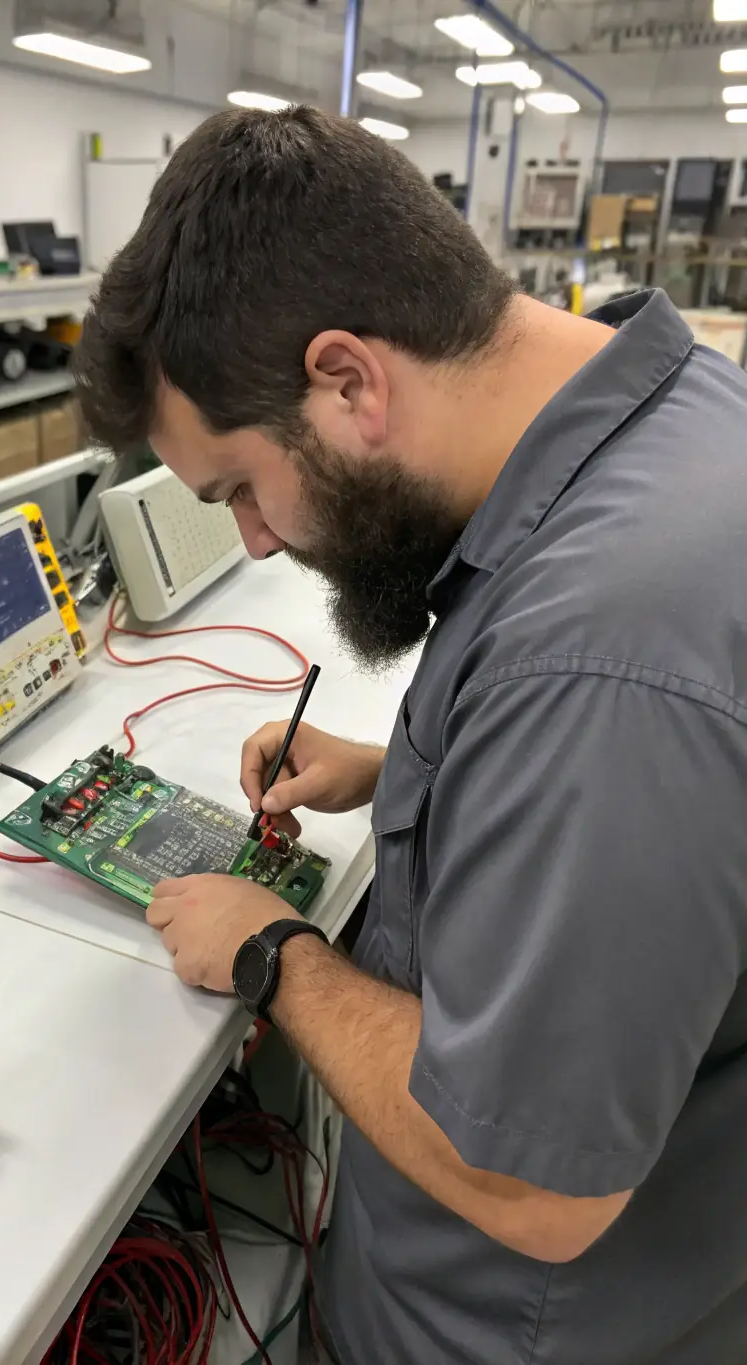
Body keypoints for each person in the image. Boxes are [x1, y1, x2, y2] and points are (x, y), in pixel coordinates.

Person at [74, 105, 747, 1365]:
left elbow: (535, 1185)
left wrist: (274, 954)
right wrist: (407, 777)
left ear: (346, 380)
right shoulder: (658, 422)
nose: (256, 541)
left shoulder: (600, 650)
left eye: (235, 489)